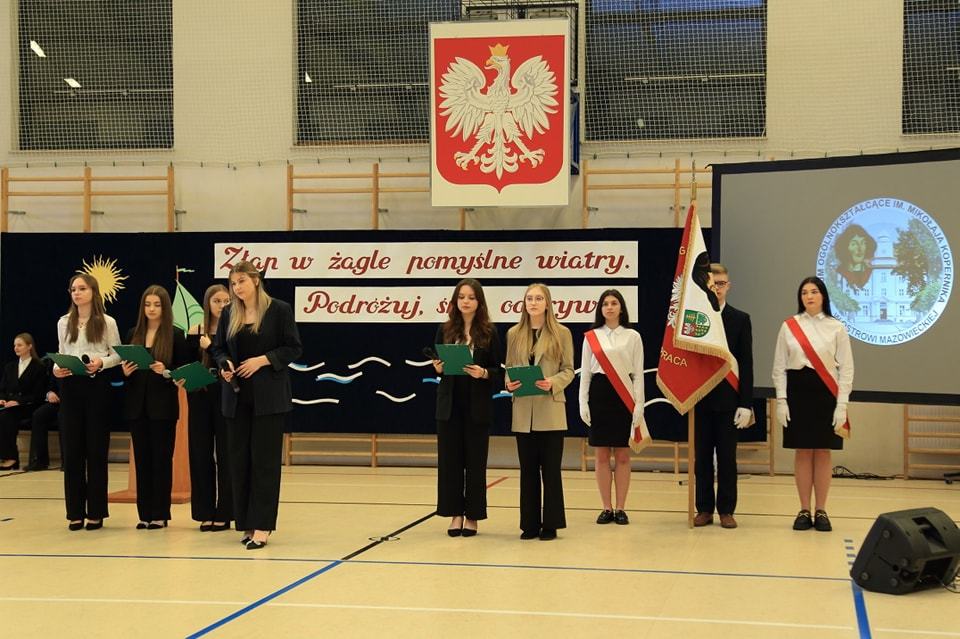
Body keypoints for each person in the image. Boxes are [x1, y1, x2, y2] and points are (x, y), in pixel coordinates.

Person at [209, 261, 301, 550]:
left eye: (242, 282)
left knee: (265, 463)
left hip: (268, 399)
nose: (237, 288)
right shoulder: (229, 313)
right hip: (237, 398)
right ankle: (247, 523)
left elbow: (293, 348)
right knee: (239, 462)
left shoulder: (279, 310)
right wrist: (224, 364)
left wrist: (262, 361)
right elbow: (218, 348)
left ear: (256, 281)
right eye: (233, 283)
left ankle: (262, 526)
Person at [772, 276, 854, 532]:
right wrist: (782, 400)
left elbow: (847, 369)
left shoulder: (836, 327)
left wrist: (842, 405)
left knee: (823, 451)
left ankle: (821, 510)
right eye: (804, 292)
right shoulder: (789, 326)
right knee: (803, 451)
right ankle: (804, 509)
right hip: (798, 392)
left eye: (814, 291)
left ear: (823, 296)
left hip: (826, 393)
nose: (809, 296)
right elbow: (779, 367)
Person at [431, 278, 503, 538]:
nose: (466, 301)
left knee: (475, 463)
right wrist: (438, 368)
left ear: (479, 302)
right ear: (455, 300)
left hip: (477, 405)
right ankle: (455, 514)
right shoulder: (445, 329)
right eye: (461, 297)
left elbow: (498, 370)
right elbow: (438, 364)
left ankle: (472, 516)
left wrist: (483, 373)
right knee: (450, 462)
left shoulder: (489, 332)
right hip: (449, 405)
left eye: (471, 297)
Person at [505, 283, 574, 541]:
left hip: (551, 411)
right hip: (523, 412)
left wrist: (552, 382)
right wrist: (509, 383)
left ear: (547, 303)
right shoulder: (514, 333)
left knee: (551, 472)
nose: (533, 303)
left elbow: (568, 370)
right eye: (529, 299)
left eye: (538, 298)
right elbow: (509, 367)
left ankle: (551, 524)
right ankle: (529, 524)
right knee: (528, 471)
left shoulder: (562, 333)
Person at [54, 273, 121, 531]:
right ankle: (74, 512)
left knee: (96, 450)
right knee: (72, 452)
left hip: (96, 386)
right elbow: (61, 352)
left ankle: (96, 511)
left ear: (93, 291)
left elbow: (117, 354)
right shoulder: (63, 322)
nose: (77, 293)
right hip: (70, 387)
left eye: (82, 288)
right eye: (73, 289)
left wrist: (101, 362)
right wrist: (57, 368)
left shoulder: (106, 322)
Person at [120, 285, 188, 530]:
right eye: (148, 304)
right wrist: (125, 372)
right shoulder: (133, 333)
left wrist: (166, 371)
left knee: (161, 460)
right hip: (137, 407)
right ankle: (144, 514)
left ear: (165, 307)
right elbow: (124, 372)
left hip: (163, 408)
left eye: (157, 305)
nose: (151, 309)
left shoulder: (175, 335)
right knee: (142, 460)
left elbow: (183, 370)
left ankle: (160, 514)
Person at [578, 289, 647, 526]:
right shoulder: (591, 337)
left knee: (623, 455)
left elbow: (638, 374)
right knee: (601, 456)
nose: (609, 307)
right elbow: (586, 373)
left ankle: (621, 508)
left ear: (621, 307)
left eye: (614, 303)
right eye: (605, 303)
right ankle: (606, 507)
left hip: (624, 396)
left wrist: (639, 405)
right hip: (599, 395)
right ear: (600, 309)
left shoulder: (633, 336)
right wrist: (583, 402)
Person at [693, 264, 754, 529]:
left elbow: (747, 364)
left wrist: (746, 404)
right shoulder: (696, 319)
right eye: (712, 284)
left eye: (721, 283)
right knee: (702, 459)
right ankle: (704, 508)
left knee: (727, 459)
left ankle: (726, 510)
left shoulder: (740, 319)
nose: (717, 288)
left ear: (728, 286)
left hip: (729, 401)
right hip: (701, 399)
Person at [187, 284, 233, 532]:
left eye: (226, 301)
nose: (222, 306)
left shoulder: (233, 330)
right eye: (217, 301)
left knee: (226, 453)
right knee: (200, 452)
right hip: (200, 394)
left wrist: (212, 347)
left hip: (226, 394)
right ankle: (204, 511)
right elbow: (184, 363)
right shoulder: (195, 331)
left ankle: (225, 512)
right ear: (207, 303)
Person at [0, 334, 48, 470]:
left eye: (19, 345)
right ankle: (9, 456)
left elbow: (38, 394)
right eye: (15, 345)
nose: (16, 348)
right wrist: (2, 399)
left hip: (28, 406)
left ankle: (10, 458)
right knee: (4, 415)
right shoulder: (10, 367)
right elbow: (3, 388)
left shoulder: (39, 367)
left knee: (5, 417)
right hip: (10, 406)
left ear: (29, 346)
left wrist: (18, 402)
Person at [835, 224, 877, 289]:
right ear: (845, 247)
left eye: (863, 243)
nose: (860, 249)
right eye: (854, 244)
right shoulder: (841, 272)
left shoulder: (871, 270)